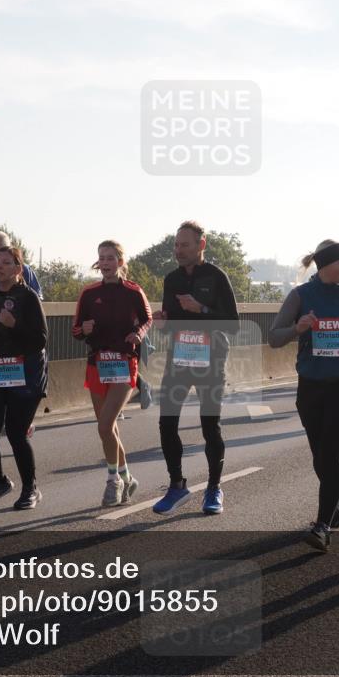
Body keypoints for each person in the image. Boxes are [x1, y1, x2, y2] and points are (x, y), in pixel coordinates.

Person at [269, 240, 339, 551]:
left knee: (329, 453)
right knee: (319, 456)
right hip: (311, 386)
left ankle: (322, 525)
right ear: (326, 266)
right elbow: (274, 338)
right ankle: (333, 504)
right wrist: (298, 328)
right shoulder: (301, 295)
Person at [151, 221, 239, 516]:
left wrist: (200, 309)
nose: (178, 250)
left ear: (201, 245)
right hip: (179, 358)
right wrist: (162, 323)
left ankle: (214, 488)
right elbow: (168, 327)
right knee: (166, 423)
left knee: (209, 426)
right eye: (176, 245)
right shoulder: (171, 279)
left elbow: (233, 325)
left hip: (211, 360)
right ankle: (177, 485)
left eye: (184, 245)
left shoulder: (216, 277)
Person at [71, 240, 152, 507]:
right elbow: (75, 330)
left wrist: (138, 334)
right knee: (109, 430)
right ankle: (127, 477)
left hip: (124, 363)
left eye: (110, 258)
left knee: (105, 425)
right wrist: (85, 328)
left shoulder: (133, 291)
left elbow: (147, 319)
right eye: (101, 258)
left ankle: (112, 480)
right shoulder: (89, 293)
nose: (105, 263)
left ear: (120, 261)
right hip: (97, 364)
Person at [0, 247, 47, 511]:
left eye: (6, 263)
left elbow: (41, 340)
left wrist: (15, 325)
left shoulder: (28, 297)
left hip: (25, 372)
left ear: (18, 270)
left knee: (15, 432)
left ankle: (30, 488)